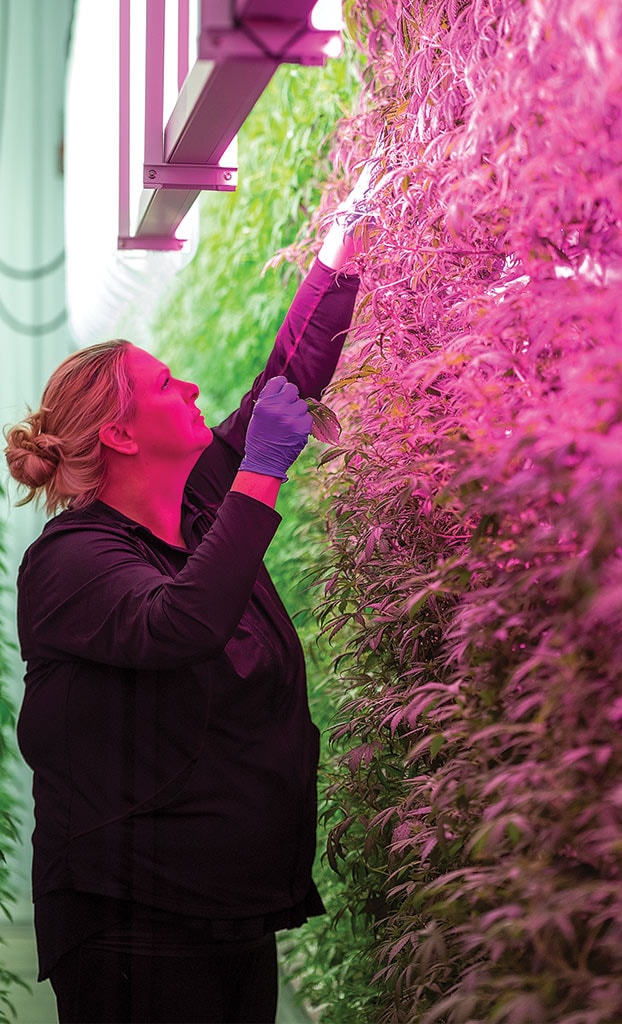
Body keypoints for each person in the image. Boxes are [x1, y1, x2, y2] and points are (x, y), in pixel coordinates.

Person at [3, 202, 365, 1023]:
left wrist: (339, 259)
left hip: (230, 907)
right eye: (168, 384)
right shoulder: (69, 561)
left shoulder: (194, 509)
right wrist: (264, 469)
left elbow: (288, 380)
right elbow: (180, 623)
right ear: (124, 437)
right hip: (130, 921)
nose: (193, 385)